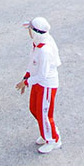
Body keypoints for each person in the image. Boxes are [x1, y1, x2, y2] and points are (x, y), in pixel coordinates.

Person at [15, 17, 61, 154]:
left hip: (46, 85)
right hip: (38, 82)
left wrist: (26, 82)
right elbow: (32, 63)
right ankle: (46, 132)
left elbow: (43, 75)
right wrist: (26, 76)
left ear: (35, 32)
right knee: (35, 109)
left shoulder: (44, 51)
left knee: (44, 114)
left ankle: (53, 139)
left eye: (30, 29)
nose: (28, 32)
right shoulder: (38, 44)